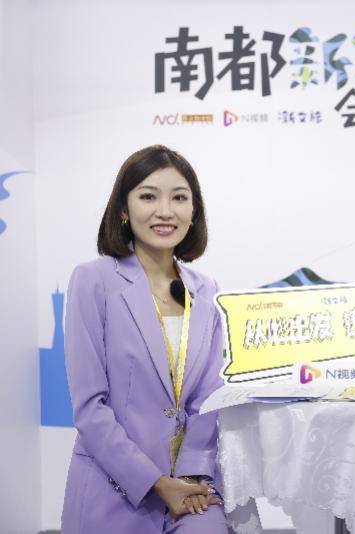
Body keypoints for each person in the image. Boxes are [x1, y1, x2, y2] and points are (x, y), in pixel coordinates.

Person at [61, 145, 227, 533]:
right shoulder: (94, 280)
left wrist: (193, 474)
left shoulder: (206, 291)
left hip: (191, 486)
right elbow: (90, 408)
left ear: (194, 211)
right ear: (123, 209)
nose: (165, 211)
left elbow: (208, 397)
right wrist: (155, 482)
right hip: (115, 486)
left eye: (179, 198)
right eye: (148, 196)